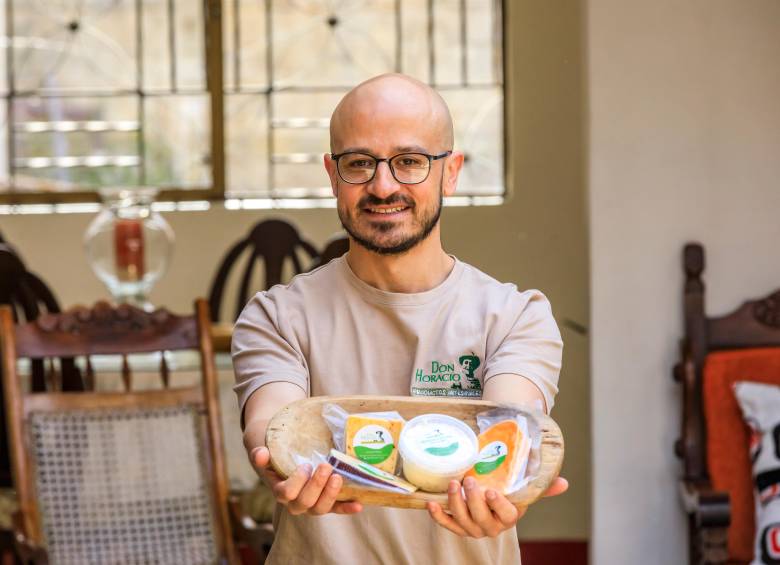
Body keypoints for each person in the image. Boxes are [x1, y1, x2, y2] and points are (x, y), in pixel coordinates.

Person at [232, 73, 566, 564]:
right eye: (359, 163)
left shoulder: (515, 316)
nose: (383, 185)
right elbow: (271, 426)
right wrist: (283, 468)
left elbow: (509, 426)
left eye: (409, 161)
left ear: (450, 172)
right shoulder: (277, 315)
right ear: (332, 174)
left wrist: (503, 488)